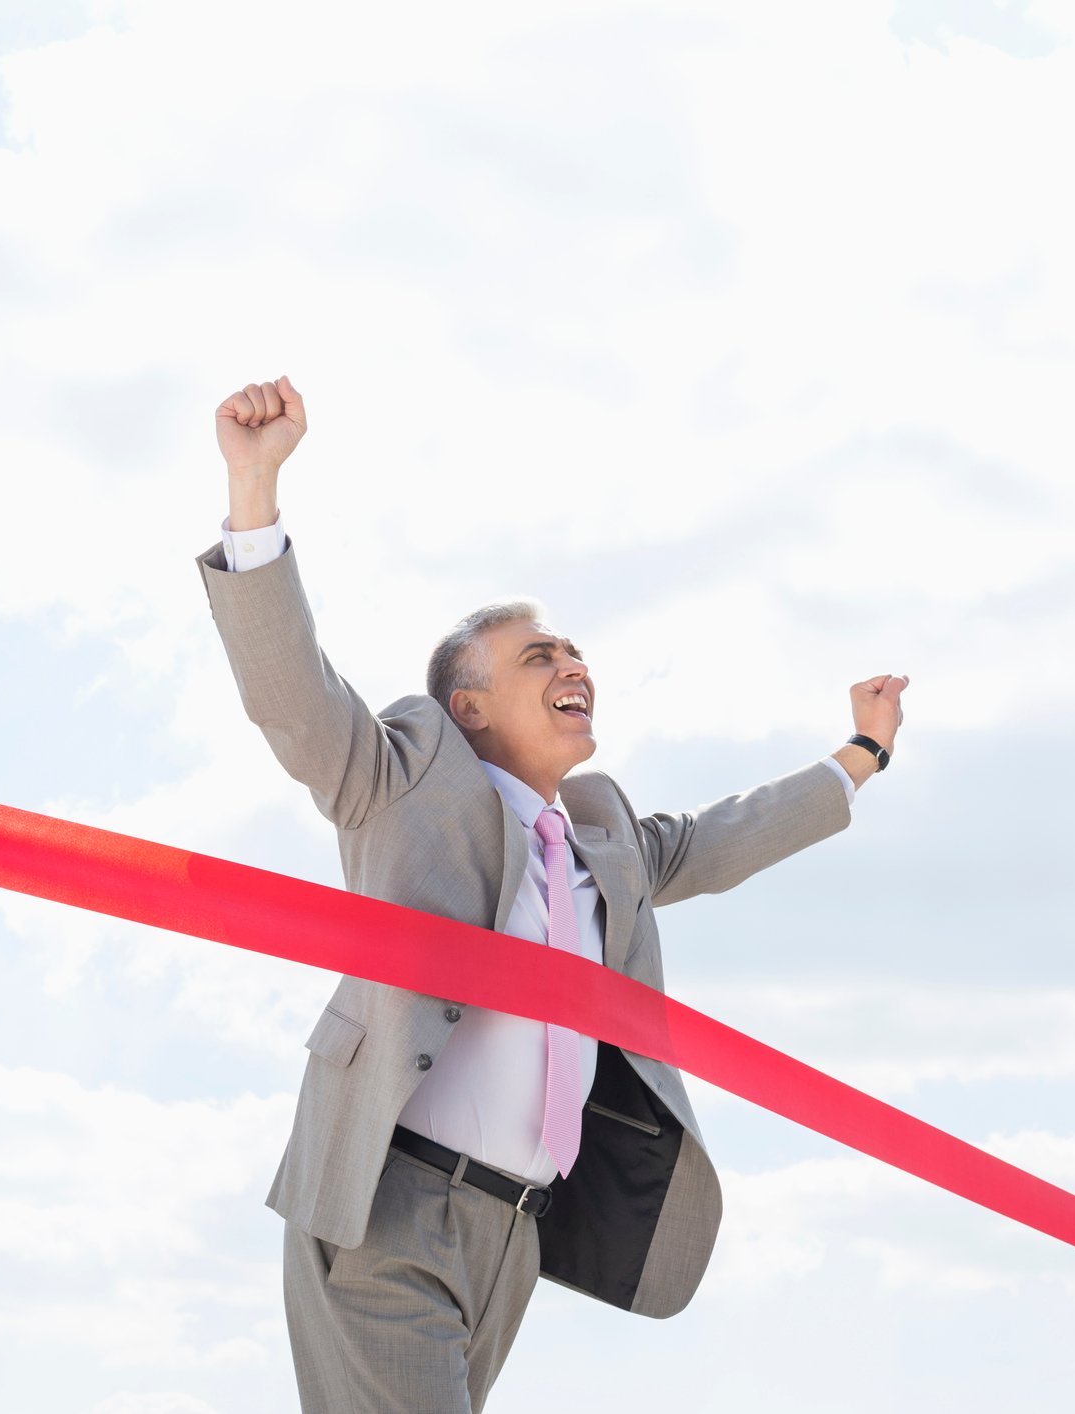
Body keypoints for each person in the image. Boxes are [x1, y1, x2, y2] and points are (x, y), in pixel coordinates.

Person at [197, 375, 907, 1412]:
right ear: (469, 705)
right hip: (392, 1209)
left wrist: (861, 754)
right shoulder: (402, 781)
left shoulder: (602, 842)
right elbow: (294, 698)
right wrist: (253, 492)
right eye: (539, 655)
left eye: (574, 650)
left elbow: (721, 839)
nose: (573, 664)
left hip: (516, 1234)